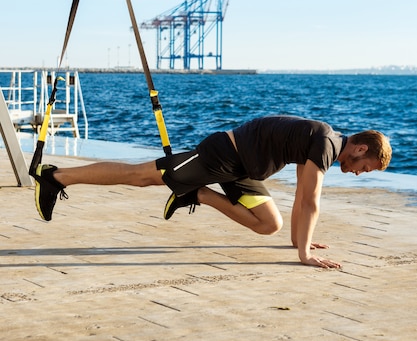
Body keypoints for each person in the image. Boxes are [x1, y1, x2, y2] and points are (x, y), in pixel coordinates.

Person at [33, 115, 392, 269]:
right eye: (367, 167)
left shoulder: (322, 142)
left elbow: (302, 198)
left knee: (269, 225)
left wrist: (301, 240)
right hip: (221, 155)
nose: (360, 173)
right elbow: (312, 200)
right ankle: (57, 177)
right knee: (140, 176)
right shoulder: (327, 143)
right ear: (360, 149)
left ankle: (197, 195)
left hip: (243, 171)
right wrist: (304, 257)